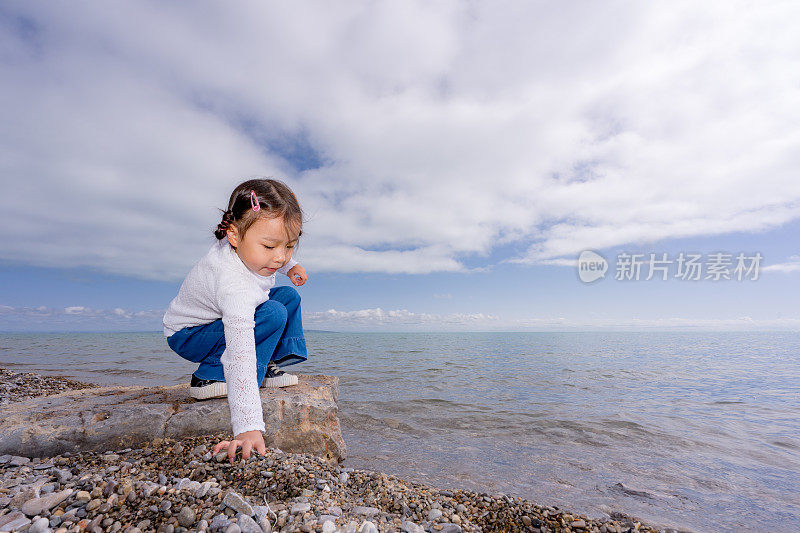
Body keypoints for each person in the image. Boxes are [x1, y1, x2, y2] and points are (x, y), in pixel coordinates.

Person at [162, 178, 308, 464]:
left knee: (287, 297)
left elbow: (276, 251)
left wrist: (291, 267)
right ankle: (209, 377)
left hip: (214, 322)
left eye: (289, 246)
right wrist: (247, 427)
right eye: (269, 247)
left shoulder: (247, 245)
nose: (280, 257)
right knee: (273, 313)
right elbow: (240, 352)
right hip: (190, 334)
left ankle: (268, 365)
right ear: (234, 236)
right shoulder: (233, 283)